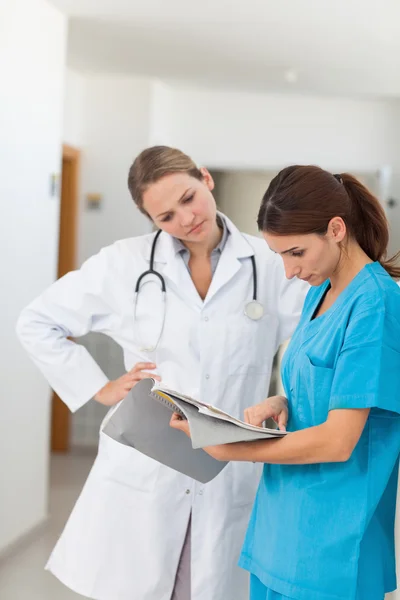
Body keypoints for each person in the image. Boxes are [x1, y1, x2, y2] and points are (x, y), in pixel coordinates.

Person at [16, 147, 308, 600]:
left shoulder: (267, 262)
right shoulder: (123, 263)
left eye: (189, 198)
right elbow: (36, 321)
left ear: (206, 179)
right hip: (147, 466)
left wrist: (285, 395)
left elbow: (308, 343)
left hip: (228, 464)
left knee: (215, 583)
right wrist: (99, 387)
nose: (186, 219)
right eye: (166, 216)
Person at [171, 166, 400, 600]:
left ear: (336, 229)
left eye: (296, 252)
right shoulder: (322, 291)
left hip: (335, 536)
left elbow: (339, 441)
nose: (289, 271)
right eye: (280, 256)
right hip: (282, 522)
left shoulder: (377, 304)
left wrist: (232, 448)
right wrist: (281, 401)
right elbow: (325, 385)